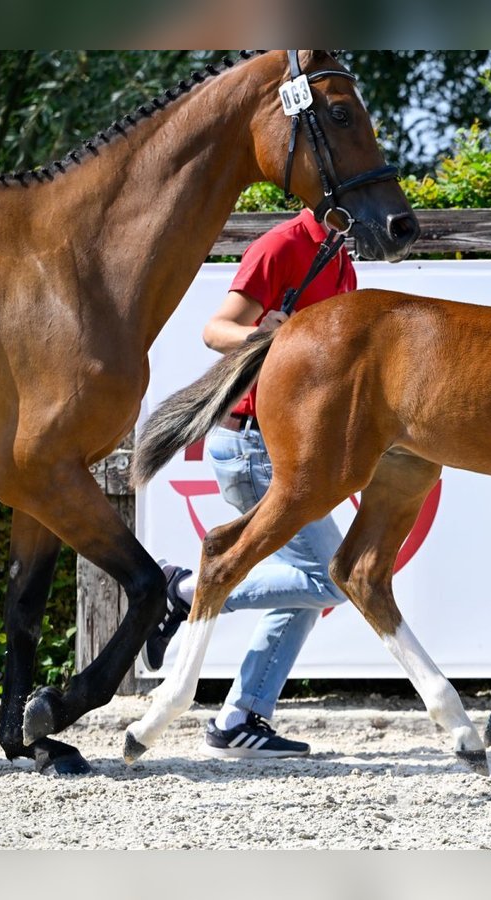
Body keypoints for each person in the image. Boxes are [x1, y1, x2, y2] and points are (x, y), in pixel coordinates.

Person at [145, 207, 355, 759]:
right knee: (334, 578)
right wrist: (277, 340)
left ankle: (241, 717)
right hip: (253, 444)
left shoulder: (343, 257)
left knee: (311, 584)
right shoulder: (282, 246)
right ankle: (186, 591)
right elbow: (217, 331)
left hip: (290, 447)